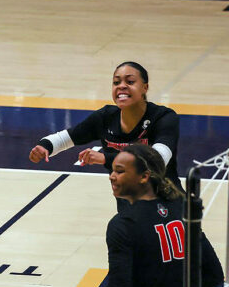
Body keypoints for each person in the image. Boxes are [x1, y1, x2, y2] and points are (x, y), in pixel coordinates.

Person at [77, 144, 223, 287]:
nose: (111, 176)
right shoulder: (182, 207)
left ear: (144, 176)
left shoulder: (123, 224)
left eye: (119, 171)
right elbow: (214, 275)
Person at [29, 62, 181, 211]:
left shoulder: (164, 118)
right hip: (131, 214)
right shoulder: (105, 117)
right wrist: (45, 146)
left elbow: (158, 160)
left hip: (170, 209)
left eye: (130, 81)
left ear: (144, 88)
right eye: (116, 82)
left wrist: (106, 158)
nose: (121, 86)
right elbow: (65, 138)